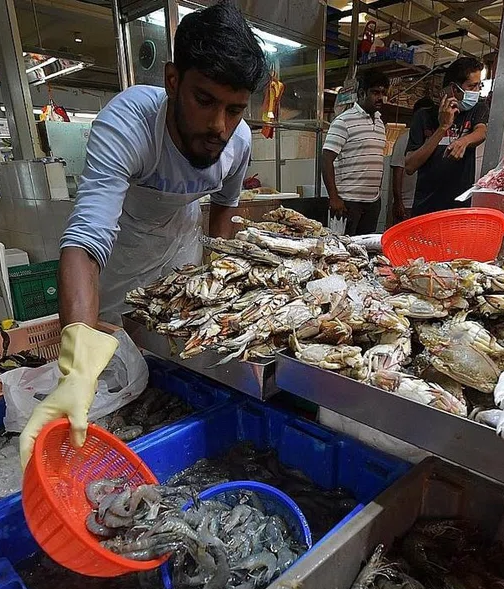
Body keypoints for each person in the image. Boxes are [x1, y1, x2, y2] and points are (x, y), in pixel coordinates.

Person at [19, 1, 268, 466]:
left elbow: (223, 216)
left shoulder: (239, 142)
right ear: (173, 80)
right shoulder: (131, 122)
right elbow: (86, 236)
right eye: (205, 100)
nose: (218, 126)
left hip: (183, 255)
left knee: (175, 368)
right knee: (111, 371)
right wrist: (76, 364)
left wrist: (217, 287)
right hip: (119, 255)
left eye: (234, 109)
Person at [405, 56, 489, 216]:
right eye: (472, 86)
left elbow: (481, 132)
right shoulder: (424, 116)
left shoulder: (477, 110)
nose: (477, 91)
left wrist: (464, 141)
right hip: (426, 208)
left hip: (459, 210)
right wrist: (443, 127)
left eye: (479, 85)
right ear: (454, 89)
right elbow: (410, 166)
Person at [322, 70, 388, 235]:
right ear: (361, 93)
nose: (380, 97)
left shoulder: (380, 122)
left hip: (373, 202)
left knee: (365, 251)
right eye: (375, 92)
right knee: (343, 252)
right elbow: (326, 160)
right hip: (347, 203)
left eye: (383, 93)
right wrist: (334, 198)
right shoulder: (343, 121)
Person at [389, 97, 435, 224]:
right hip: (407, 204)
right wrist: (399, 203)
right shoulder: (404, 139)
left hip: (426, 203)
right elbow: (398, 173)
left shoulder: (435, 138)